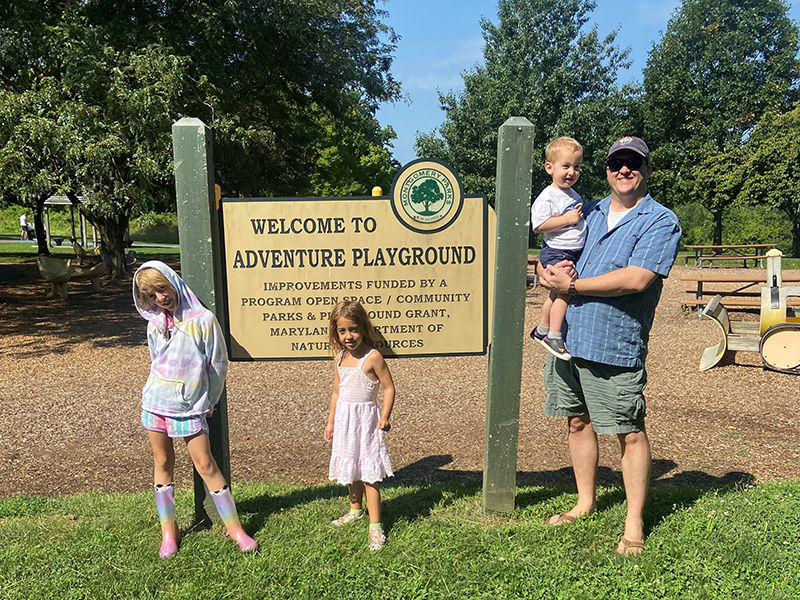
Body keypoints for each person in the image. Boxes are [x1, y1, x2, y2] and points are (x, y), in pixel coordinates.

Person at [538, 136, 681, 555]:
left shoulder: (660, 221)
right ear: (606, 170)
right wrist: (548, 275)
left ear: (646, 170)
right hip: (568, 339)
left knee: (628, 432)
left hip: (614, 343)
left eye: (633, 163)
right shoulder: (590, 209)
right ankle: (585, 502)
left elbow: (638, 279)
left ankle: (633, 522)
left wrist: (573, 284)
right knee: (577, 421)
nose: (624, 170)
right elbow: (555, 250)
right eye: (617, 162)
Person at [133, 261, 258, 559]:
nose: (160, 299)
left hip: (190, 407)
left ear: (173, 282)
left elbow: (217, 366)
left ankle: (235, 529)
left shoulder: (203, 321)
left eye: (162, 289)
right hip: (155, 404)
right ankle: (169, 532)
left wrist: (210, 400)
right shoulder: (155, 324)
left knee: (205, 464)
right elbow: (155, 360)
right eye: (151, 296)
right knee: (162, 460)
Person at [324, 300, 395, 551]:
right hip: (345, 420)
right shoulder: (340, 357)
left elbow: (388, 387)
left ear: (363, 328)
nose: (348, 336)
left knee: (368, 474)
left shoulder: (372, 356)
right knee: (351, 468)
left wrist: (384, 416)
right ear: (336, 332)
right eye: (342, 331)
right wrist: (331, 421)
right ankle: (355, 510)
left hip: (366, 422)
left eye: (353, 329)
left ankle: (375, 526)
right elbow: (336, 391)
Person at [529, 136, 586, 360]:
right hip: (558, 251)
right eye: (566, 166)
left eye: (577, 167)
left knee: (554, 295)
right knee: (565, 292)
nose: (571, 172)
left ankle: (542, 328)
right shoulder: (547, 196)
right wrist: (568, 219)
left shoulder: (572, 195)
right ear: (549, 168)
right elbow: (539, 225)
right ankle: (554, 335)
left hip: (569, 251)